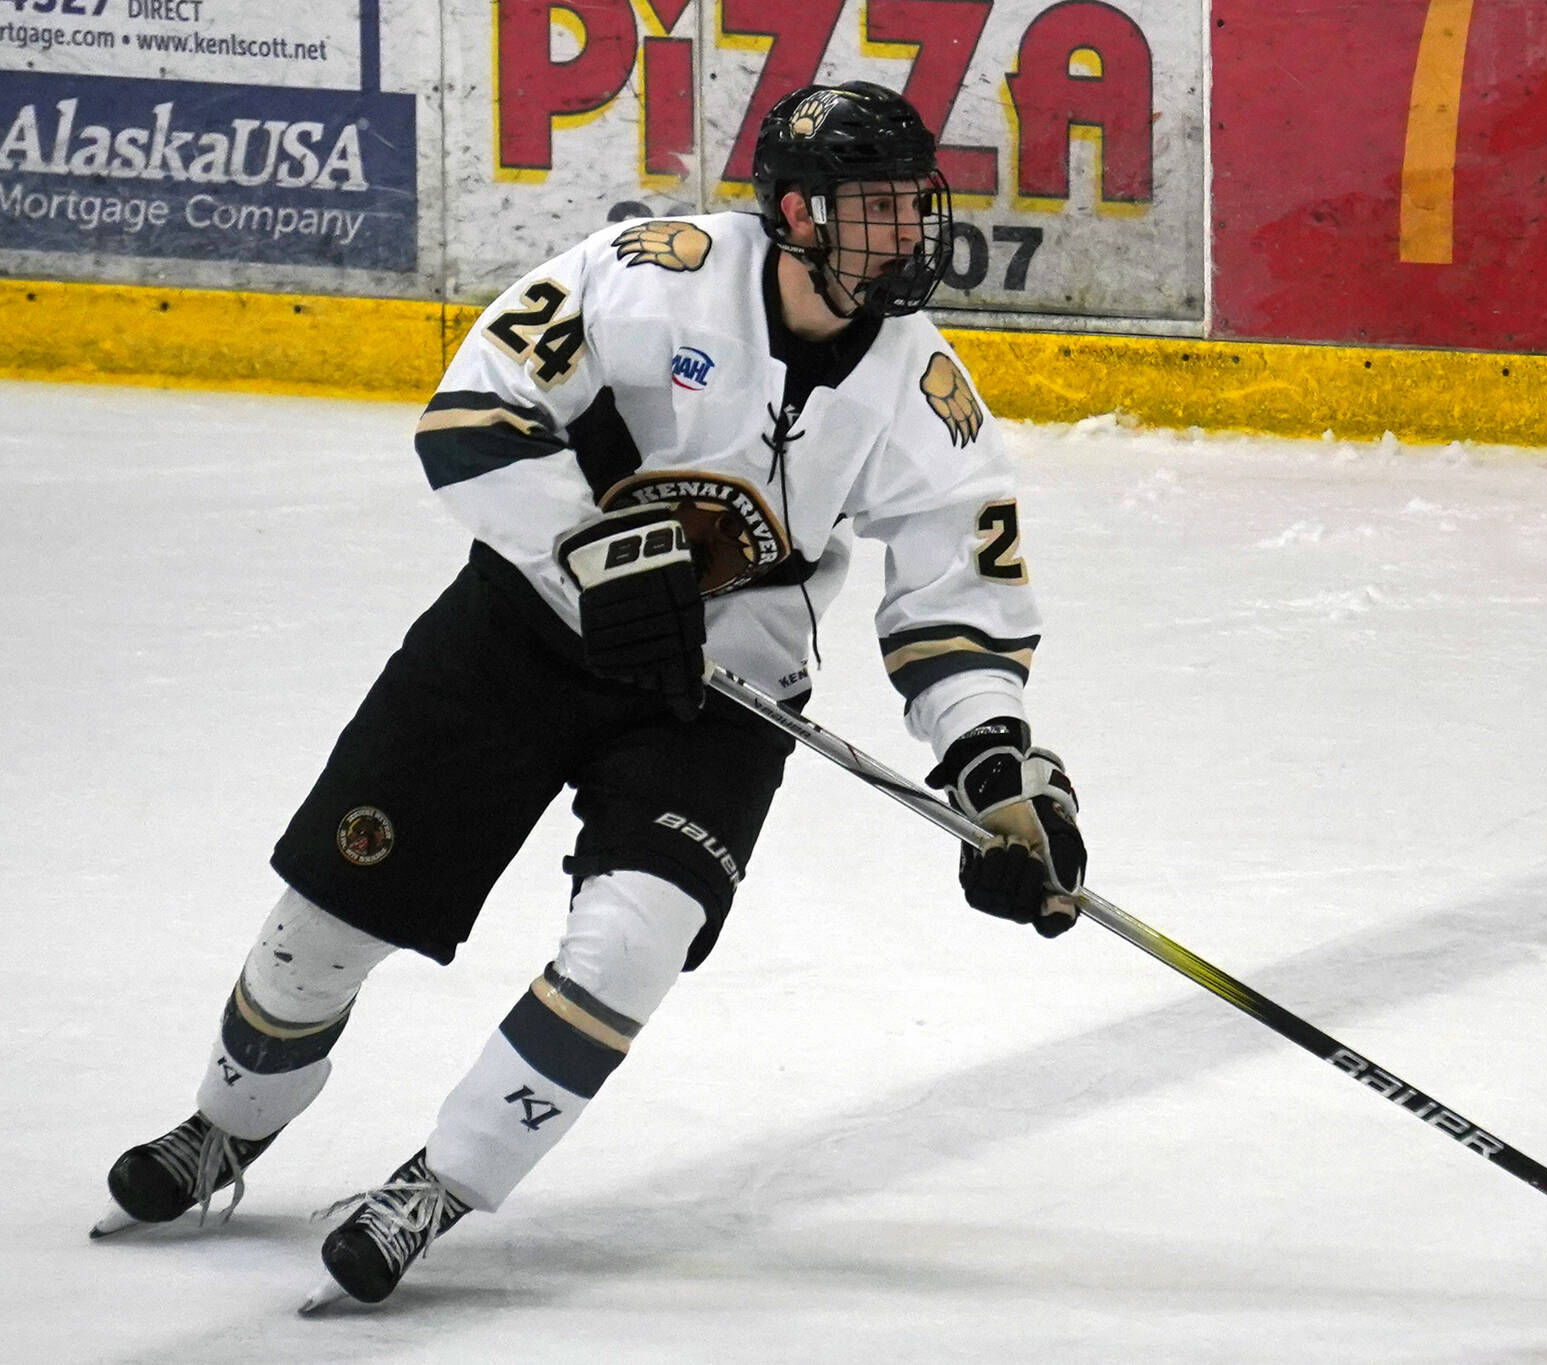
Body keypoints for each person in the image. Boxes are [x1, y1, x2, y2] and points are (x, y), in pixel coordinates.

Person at [92, 80, 1088, 1311]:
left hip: (720, 692)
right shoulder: (644, 272)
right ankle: (226, 1127)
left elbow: (955, 598)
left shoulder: (924, 395)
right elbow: (472, 416)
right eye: (874, 208)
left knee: (633, 938)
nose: (908, 233)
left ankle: (440, 1185)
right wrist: (599, 553)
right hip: (517, 635)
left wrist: (996, 769)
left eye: (911, 205)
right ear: (793, 212)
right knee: (324, 926)